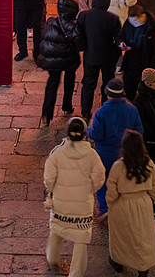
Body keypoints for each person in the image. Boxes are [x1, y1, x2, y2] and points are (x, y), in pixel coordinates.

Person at [43, 117, 105, 277]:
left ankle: (52, 257)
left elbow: (49, 178)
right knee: (80, 239)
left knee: (57, 230)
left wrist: (52, 190)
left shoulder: (57, 153)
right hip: (82, 205)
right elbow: (99, 177)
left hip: (60, 202)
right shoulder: (91, 155)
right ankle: (76, 273)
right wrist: (89, 189)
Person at [89, 79, 144, 219]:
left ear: (108, 94)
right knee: (123, 179)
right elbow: (139, 130)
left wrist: (88, 131)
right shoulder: (132, 109)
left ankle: (106, 208)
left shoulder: (102, 112)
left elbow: (97, 134)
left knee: (104, 181)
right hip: (126, 153)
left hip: (105, 153)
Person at [106, 130, 155, 277]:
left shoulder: (118, 166)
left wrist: (111, 205)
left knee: (122, 237)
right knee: (143, 239)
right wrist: (151, 200)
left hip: (122, 204)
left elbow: (112, 189)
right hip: (143, 204)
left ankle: (119, 263)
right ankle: (143, 269)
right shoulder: (149, 164)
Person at [76, 0, 122, 121]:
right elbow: (118, 37)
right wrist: (119, 52)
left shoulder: (84, 15)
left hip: (90, 56)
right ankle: (105, 109)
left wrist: (82, 47)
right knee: (107, 83)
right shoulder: (113, 18)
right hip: (108, 57)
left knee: (89, 84)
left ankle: (85, 113)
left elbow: (79, 34)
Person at [37, 0, 81, 124]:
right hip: (70, 60)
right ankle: (67, 106)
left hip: (53, 61)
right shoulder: (73, 27)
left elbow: (44, 38)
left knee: (52, 84)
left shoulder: (50, 22)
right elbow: (80, 44)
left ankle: (46, 114)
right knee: (69, 81)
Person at [118, 4, 155, 101]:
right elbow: (120, 36)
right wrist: (121, 44)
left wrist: (153, 70)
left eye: (134, 20)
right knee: (129, 88)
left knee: (143, 93)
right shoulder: (129, 22)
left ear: (143, 16)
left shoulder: (153, 27)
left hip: (144, 64)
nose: (132, 22)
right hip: (130, 63)